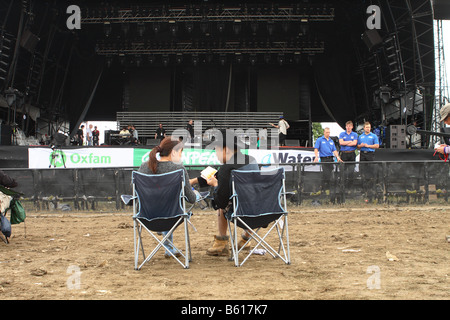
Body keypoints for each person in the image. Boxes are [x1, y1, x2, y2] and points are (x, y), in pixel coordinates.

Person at [191, 129, 259, 256]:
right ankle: (245, 239)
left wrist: (216, 185)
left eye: (216, 150)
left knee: (222, 207)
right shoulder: (252, 160)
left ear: (225, 149)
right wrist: (195, 181)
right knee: (248, 198)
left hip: (240, 213)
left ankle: (221, 243)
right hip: (260, 210)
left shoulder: (226, 168)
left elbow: (220, 201)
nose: (216, 154)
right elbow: (219, 175)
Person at [138, 136, 198, 258]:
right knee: (174, 203)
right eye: (180, 152)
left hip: (146, 216)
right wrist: (197, 194)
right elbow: (191, 198)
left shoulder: (144, 167)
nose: (181, 156)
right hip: (172, 216)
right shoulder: (178, 168)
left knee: (164, 201)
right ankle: (168, 246)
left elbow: (135, 192)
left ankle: (169, 247)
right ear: (174, 151)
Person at [314, 127, 343, 194]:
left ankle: (329, 189)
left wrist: (338, 157)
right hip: (324, 159)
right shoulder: (320, 140)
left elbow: (334, 150)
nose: (328, 134)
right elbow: (316, 149)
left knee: (331, 174)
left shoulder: (331, 141)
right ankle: (324, 188)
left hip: (331, 158)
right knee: (326, 174)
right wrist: (316, 156)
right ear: (324, 132)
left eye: (329, 132)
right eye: (327, 132)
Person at [357, 121, 380, 202]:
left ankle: (371, 193)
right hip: (363, 154)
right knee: (362, 171)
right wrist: (361, 145)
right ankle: (363, 191)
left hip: (370, 154)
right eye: (367, 127)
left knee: (371, 172)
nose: (368, 129)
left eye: (369, 127)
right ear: (364, 128)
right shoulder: (360, 136)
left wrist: (368, 146)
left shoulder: (373, 136)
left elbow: (377, 145)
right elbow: (357, 146)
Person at [339, 121, 358, 191]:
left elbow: (355, 143)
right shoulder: (342, 134)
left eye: (350, 126)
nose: (348, 127)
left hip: (352, 154)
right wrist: (350, 141)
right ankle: (342, 188)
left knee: (351, 171)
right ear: (345, 127)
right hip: (344, 154)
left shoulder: (355, 134)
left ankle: (350, 188)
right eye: (347, 126)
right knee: (343, 171)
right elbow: (341, 142)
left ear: (352, 127)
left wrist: (345, 142)